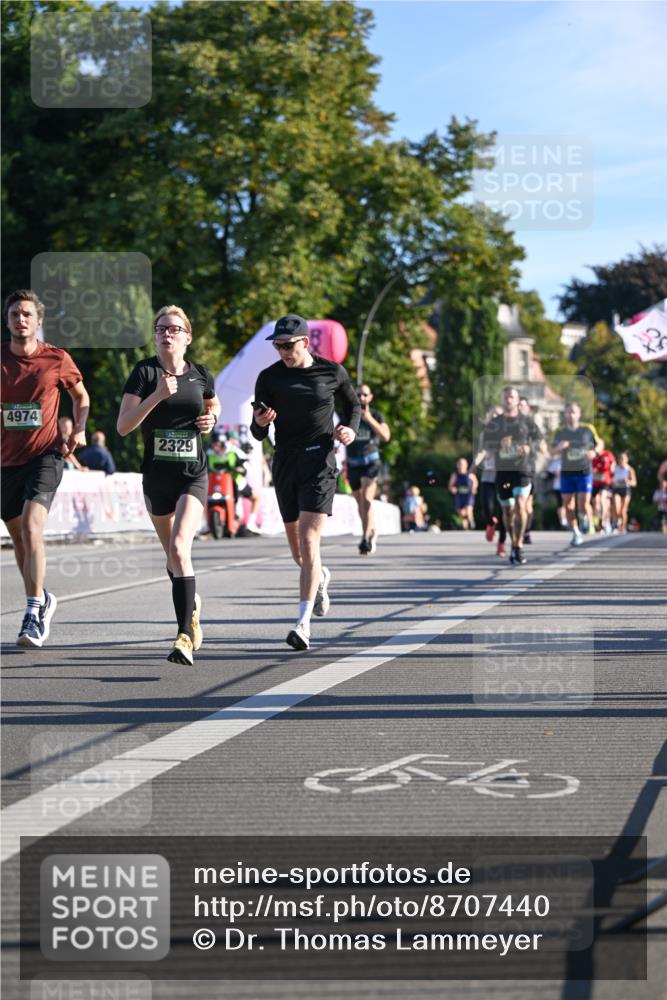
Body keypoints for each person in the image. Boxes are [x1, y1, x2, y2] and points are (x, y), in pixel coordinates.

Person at [117, 305, 220, 665]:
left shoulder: (201, 374)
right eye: (161, 328)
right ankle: (191, 607)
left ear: (187, 337)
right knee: (174, 560)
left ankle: (183, 638)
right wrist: (157, 395)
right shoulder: (144, 373)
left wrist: (211, 418)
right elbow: (124, 426)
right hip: (157, 478)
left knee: (179, 547)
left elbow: (213, 402)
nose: (167, 334)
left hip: (193, 473)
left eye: (175, 328)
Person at [250, 314, 360, 651]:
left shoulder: (331, 372)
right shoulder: (268, 378)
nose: (282, 351)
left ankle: (303, 624)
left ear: (305, 342)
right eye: (278, 346)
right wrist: (260, 422)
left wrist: (350, 430)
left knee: (309, 540)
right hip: (285, 461)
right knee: (299, 552)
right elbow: (257, 433)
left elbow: (353, 403)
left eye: (288, 345)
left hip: (320, 460)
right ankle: (321, 577)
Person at [1, 289, 89, 647]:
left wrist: (80, 428)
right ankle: (44, 596)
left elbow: (81, 396)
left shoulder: (56, 358)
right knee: (20, 536)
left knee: (34, 526)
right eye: (14, 314)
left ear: (38, 321)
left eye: (26, 314)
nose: (20, 320)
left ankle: (33, 611)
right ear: (7, 321)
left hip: (46, 454)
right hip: (6, 460)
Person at [481, 385, 543, 565]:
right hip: (503, 472)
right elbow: (487, 446)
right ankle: (514, 541)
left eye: (512, 397)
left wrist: (529, 447)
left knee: (521, 504)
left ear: (517, 400)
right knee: (507, 511)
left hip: (522, 469)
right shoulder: (495, 423)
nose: (509, 399)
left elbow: (539, 438)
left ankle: (518, 545)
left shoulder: (527, 421)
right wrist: (499, 444)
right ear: (502, 400)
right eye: (506, 397)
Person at [347, 383, 390, 554]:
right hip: (353, 464)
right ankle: (371, 530)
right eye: (358, 395)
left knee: (367, 498)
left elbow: (386, 436)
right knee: (360, 504)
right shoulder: (348, 415)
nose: (362, 398)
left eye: (365, 395)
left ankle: (365, 539)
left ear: (370, 397)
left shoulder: (377, 415)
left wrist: (369, 419)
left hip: (371, 463)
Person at [551, 402, 598, 546]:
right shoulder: (560, 432)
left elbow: (599, 443)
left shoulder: (587, 429)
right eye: (568, 412)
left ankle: (583, 517)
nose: (571, 414)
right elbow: (551, 451)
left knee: (583, 504)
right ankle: (576, 532)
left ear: (579, 414)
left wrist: (594, 452)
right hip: (567, 472)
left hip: (584, 471)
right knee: (567, 504)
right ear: (565, 414)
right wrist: (559, 447)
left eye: (574, 412)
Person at [207, 430, 260, 533]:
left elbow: (247, 466)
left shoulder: (234, 452)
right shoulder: (209, 454)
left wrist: (241, 469)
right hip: (216, 484)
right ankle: (205, 525)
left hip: (235, 483)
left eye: (217, 444)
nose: (215, 447)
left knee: (256, 497)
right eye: (214, 444)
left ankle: (251, 523)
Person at [591, 438, 616, 534]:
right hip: (596, 483)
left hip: (606, 482)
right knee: (596, 504)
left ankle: (603, 522)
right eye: (595, 444)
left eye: (598, 444)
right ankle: (596, 522)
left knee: (602, 500)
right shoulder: (593, 456)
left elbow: (613, 464)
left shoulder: (608, 454)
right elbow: (591, 467)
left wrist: (612, 470)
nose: (596, 445)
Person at [447, 457, 478, 530]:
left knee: (468, 509)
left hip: (469, 495)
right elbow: (450, 485)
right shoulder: (455, 475)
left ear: (466, 465)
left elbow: (475, 483)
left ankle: (471, 521)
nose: (461, 465)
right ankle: (465, 528)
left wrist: (474, 488)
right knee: (461, 513)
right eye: (460, 464)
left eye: (463, 464)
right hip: (459, 495)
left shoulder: (470, 474)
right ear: (457, 465)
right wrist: (452, 489)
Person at [611, 451, 637, 533]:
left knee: (623, 510)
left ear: (627, 460)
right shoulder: (615, 468)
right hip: (617, 489)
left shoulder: (629, 469)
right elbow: (610, 478)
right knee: (616, 508)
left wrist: (627, 481)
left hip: (626, 490)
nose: (621, 460)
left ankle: (623, 527)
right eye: (620, 458)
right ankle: (617, 523)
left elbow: (634, 483)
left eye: (623, 458)